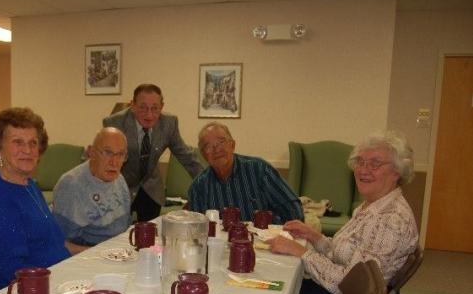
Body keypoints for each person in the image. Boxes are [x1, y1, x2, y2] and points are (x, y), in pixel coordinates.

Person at [269, 130, 418, 294]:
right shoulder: (372, 206)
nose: (363, 169)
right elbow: (346, 254)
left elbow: (348, 283)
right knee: (279, 288)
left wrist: (301, 253)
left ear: (397, 172)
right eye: (360, 161)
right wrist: (314, 237)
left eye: (375, 163)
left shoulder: (390, 220)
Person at [0, 107, 71, 294]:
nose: (28, 150)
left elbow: (54, 244)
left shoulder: (29, 186)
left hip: (54, 282)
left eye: (33, 143)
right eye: (18, 142)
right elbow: (10, 272)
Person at [103, 83, 203, 221]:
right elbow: (104, 158)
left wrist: (207, 182)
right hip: (121, 186)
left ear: (162, 107)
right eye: (143, 107)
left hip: (150, 188)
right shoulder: (115, 123)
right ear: (133, 105)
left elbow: (186, 157)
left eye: (155, 108)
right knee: (118, 233)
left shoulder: (169, 123)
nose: (149, 114)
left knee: (150, 235)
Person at [188, 122, 303, 224]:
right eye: (208, 146)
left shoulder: (259, 169)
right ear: (203, 155)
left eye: (221, 142)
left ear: (232, 145)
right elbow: (197, 230)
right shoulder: (198, 187)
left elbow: (291, 207)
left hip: (266, 242)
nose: (216, 149)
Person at [53, 127, 131, 248]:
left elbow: (124, 226)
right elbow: (60, 243)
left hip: (118, 250)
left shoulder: (119, 179)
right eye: (108, 152)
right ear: (91, 152)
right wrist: (98, 255)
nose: (114, 162)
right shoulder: (71, 186)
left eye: (120, 154)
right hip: (89, 255)